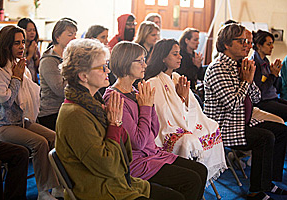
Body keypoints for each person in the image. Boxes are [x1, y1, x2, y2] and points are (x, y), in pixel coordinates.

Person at [56, 38, 186, 200]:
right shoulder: (75, 114)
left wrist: (147, 106)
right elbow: (109, 166)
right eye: (102, 67)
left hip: (117, 180)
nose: (108, 71)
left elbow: (126, 153)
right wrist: (115, 125)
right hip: (101, 188)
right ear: (84, 76)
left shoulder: (93, 103)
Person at [103, 41, 208, 200]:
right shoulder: (115, 98)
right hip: (137, 162)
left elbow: (154, 131)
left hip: (152, 153)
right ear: (125, 63)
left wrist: (149, 105)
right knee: (191, 180)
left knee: (201, 170)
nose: (145, 65)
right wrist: (146, 107)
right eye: (140, 61)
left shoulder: (134, 90)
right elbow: (138, 142)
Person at [204, 23, 287, 200]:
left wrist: (249, 78)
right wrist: (246, 81)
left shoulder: (239, 64)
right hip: (224, 126)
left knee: (281, 131)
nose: (248, 46)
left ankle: (269, 182)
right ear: (226, 44)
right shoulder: (218, 68)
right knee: (265, 138)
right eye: (243, 41)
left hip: (240, 121)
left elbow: (256, 98)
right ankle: (256, 190)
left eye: (249, 42)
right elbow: (232, 104)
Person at [0, 25, 61, 200]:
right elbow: (5, 102)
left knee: (55, 137)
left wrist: (19, 74)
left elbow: (28, 97)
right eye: (17, 43)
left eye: (23, 42)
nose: (22, 47)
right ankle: (43, 191)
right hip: (1, 126)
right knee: (40, 143)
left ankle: (57, 186)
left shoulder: (18, 65)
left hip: (20, 121)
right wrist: (16, 77)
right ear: (6, 46)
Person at [145, 39, 226, 188]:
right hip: (168, 131)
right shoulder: (153, 83)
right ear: (163, 57)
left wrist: (185, 99)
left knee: (212, 126)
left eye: (180, 53)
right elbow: (164, 115)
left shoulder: (177, 77)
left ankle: (199, 179)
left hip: (186, 121)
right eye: (175, 54)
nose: (180, 57)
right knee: (189, 141)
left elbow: (194, 108)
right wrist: (182, 98)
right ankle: (188, 181)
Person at [38, 18, 77, 131]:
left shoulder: (70, 57)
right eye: (70, 34)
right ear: (57, 37)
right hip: (51, 112)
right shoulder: (49, 61)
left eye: (75, 35)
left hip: (68, 108)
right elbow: (60, 90)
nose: (74, 38)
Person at [250, 30, 287, 122]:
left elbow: (274, 85)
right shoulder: (255, 64)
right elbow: (259, 90)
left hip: (272, 97)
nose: (272, 47)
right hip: (263, 101)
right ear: (259, 45)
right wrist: (273, 75)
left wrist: (276, 74)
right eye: (268, 44)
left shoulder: (265, 61)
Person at [176, 28, 205, 92]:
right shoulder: (180, 55)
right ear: (187, 40)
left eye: (198, 40)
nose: (198, 42)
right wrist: (196, 66)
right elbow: (184, 76)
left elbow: (201, 76)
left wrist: (199, 66)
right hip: (182, 89)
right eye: (195, 40)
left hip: (192, 88)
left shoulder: (195, 55)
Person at [17, 17, 40, 84]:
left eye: (34, 30)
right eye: (29, 30)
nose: (32, 33)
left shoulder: (34, 45)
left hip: (33, 83)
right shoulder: (18, 48)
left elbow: (39, 69)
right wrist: (30, 55)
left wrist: (35, 56)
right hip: (23, 83)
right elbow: (20, 69)